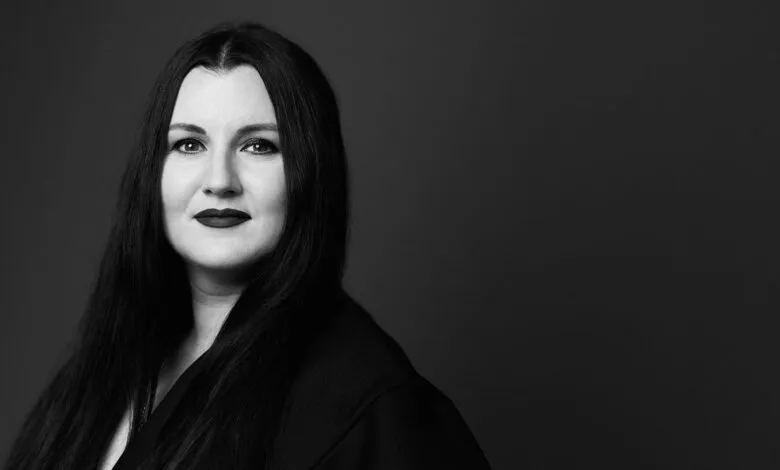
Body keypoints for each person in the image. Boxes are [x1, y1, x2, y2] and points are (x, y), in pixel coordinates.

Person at [3, 22, 491, 469]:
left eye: (258, 145)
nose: (219, 181)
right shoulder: (106, 367)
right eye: (189, 145)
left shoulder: (368, 405)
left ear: (310, 171)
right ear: (153, 172)